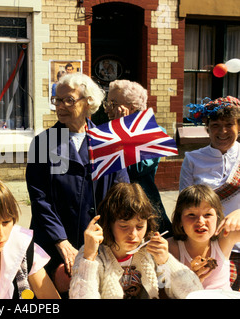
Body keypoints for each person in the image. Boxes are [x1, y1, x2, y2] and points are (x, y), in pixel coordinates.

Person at [26, 73, 129, 295]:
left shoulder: (108, 142)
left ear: (88, 102)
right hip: (54, 246)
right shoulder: (44, 143)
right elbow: (39, 198)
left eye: (68, 100)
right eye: (57, 100)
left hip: (100, 244)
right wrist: (60, 240)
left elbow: (122, 195)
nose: (61, 106)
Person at [69, 183, 203, 299]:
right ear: (109, 224)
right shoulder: (93, 252)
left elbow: (193, 293)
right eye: (123, 226)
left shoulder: (150, 251)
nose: (133, 234)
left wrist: (167, 261)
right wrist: (88, 260)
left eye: (140, 226)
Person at [180, 96, 240, 290]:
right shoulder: (192, 159)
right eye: (215, 125)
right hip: (209, 248)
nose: (222, 131)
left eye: (229, 124)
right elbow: (185, 206)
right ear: (207, 127)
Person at [105, 79, 172, 236]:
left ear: (131, 107)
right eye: (107, 103)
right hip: (114, 207)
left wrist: (121, 130)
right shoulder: (106, 131)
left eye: (113, 103)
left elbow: (136, 168)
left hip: (143, 206)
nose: (108, 109)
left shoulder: (154, 132)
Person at [168, 184, 240, 290]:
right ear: (179, 221)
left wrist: (238, 213)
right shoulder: (170, 247)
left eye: (208, 215)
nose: (200, 221)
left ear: (218, 218)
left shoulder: (224, 240)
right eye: (191, 215)